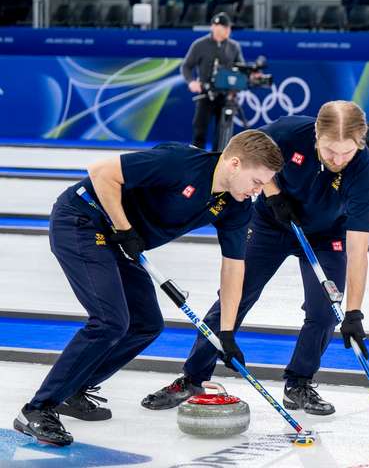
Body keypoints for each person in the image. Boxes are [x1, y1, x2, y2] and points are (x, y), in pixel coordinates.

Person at [13, 130, 284, 446]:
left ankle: (74, 388)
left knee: (146, 324)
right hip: (84, 220)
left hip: (122, 242)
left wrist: (226, 333)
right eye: (257, 181)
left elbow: (234, 268)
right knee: (109, 321)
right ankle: (37, 409)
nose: (260, 190)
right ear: (235, 164)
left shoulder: (236, 206)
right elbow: (101, 172)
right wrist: (126, 229)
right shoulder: (180, 162)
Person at [142, 102, 369, 417]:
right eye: (328, 150)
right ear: (315, 135)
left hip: (325, 234)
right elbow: (243, 151)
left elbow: (359, 249)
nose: (337, 160)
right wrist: (273, 192)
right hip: (271, 224)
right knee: (234, 297)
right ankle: (193, 378)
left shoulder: (363, 170)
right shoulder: (289, 132)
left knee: (325, 310)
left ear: (360, 143)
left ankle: (299, 383)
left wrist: (354, 313)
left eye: (345, 153)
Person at [181, 13, 245, 150]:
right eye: (225, 27)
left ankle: (217, 164)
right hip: (205, 94)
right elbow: (186, 66)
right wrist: (191, 82)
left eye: (229, 27)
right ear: (214, 27)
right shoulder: (199, 45)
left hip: (226, 96)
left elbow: (241, 69)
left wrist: (240, 82)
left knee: (223, 134)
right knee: (199, 131)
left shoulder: (234, 46)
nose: (228, 30)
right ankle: (196, 162)